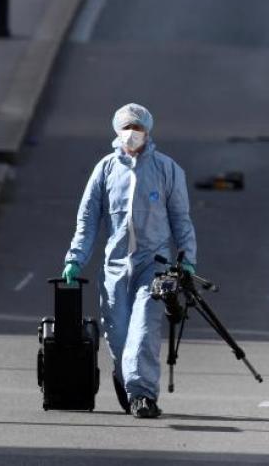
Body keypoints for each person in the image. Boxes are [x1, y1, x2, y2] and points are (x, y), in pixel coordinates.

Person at [62, 103, 197, 419]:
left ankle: (143, 396)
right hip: (116, 267)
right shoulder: (106, 169)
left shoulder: (167, 169)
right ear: (117, 132)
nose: (133, 134)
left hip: (155, 266)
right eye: (128, 128)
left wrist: (187, 259)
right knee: (119, 333)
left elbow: (181, 218)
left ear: (149, 132)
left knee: (143, 330)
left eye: (139, 129)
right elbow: (88, 219)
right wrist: (76, 258)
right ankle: (127, 381)